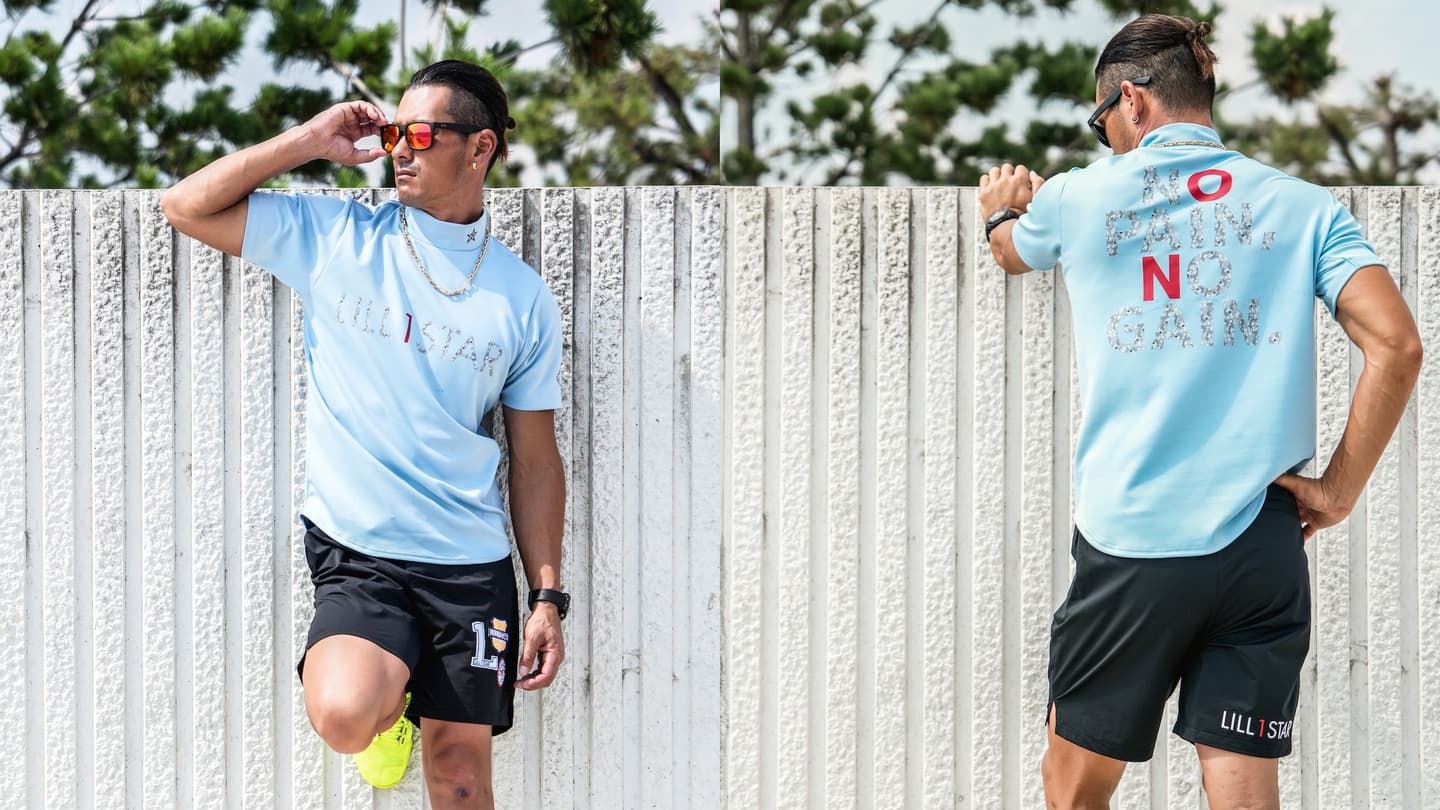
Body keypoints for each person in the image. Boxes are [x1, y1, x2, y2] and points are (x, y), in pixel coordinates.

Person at [979, 15, 1421, 810]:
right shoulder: (1303, 206)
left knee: (1073, 789)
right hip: (1262, 543)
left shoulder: (1079, 197)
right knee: (1243, 789)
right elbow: (1397, 344)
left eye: (1103, 122)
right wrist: (1337, 490)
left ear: (1132, 101)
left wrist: (1001, 211)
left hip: (1134, 537)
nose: (1108, 139)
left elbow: (1013, 253)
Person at [161, 60, 569, 809]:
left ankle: (412, 696)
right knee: (346, 714)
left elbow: (536, 460)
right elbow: (184, 205)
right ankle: (392, 709)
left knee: (461, 778)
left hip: (468, 566)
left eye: (421, 134)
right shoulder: (339, 236)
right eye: (392, 134)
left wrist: (547, 598)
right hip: (362, 554)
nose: (399, 149)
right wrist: (307, 140)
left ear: (480, 148)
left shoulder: (523, 298)